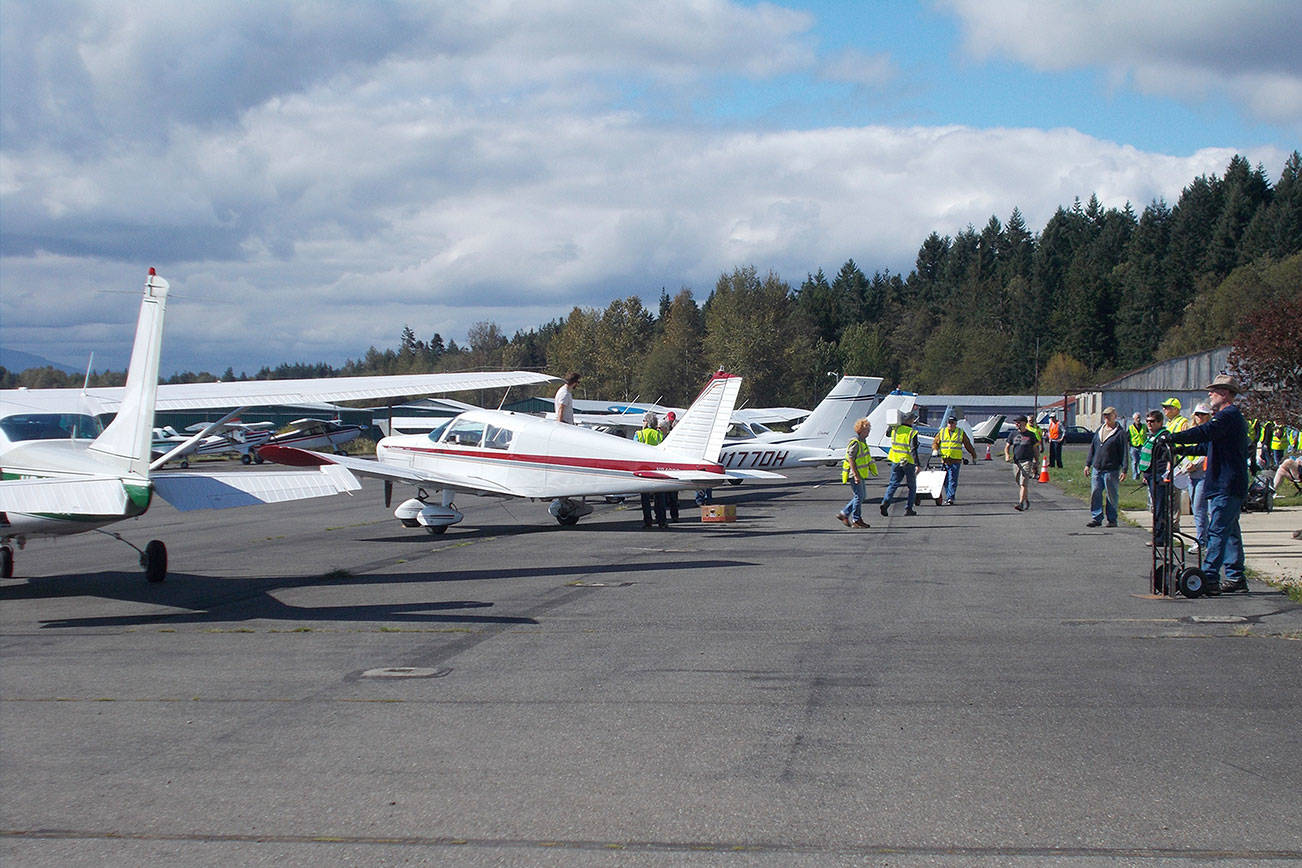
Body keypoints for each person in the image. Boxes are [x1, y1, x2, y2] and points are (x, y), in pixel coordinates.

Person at [1169, 374, 1251, 594]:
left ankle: (1209, 577)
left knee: (1217, 531)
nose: (1209, 394)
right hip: (1224, 483)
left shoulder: (1228, 416)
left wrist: (1175, 438)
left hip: (1227, 484)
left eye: (1213, 391)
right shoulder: (1227, 418)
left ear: (1224, 394)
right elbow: (1209, 447)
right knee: (1230, 531)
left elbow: (1206, 432)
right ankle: (1235, 577)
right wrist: (1184, 450)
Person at [1176, 402, 1213, 549]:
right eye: (1197, 414)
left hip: (1203, 473)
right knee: (1196, 508)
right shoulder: (1192, 431)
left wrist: (1195, 465)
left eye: (1203, 414)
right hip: (1190, 474)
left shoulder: (1210, 432)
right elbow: (1186, 450)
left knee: (1200, 508)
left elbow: (1206, 452)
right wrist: (1186, 464)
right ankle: (1204, 538)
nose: (1199, 417)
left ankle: (1202, 540)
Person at [1083, 406, 1126, 527]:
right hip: (1097, 467)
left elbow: (1124, 452)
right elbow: (1093, 448)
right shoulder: (1099, 430)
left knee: (1111, 495)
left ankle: (1112, 519)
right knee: (1095, 492)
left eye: (1109, 415)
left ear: (1115, 416)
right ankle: (1096, 517)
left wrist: (1125, 469)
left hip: (1111, 469)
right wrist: (1088, 464)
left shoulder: (1119, 433)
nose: (1106, 418)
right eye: (1105, 416)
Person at [1136, 410, 1173, 547]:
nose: (1149, 424)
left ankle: (1160, 538)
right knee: (1155, 508)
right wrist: (1146, 474)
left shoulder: (1163, 437)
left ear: (1160, 422)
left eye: (1152, 421)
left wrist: (1166, 473)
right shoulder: (1152, 436)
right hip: (1151, 475)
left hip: (1159, 476)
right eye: (1147, 421)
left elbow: (1168, 457)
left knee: (1160, 508)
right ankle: (1159, 536)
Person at [837, 418, 877, 528]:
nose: (868, 431)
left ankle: (844, 514)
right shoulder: (856, 442)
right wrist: (855, 475)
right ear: (860, 430)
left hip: (861, 474)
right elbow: (851, 458)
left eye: (869, 429)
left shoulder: (862, 442)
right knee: (859, 496)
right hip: (855, 474)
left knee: (862, 496)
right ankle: (856, 519)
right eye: (866, 429)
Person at [879, 410, 919, 517]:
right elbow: (913, 449)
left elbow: (887, 434)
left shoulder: (895, 430)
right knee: (912, 486)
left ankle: (886, 502)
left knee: (893, 484)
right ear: (911, 420)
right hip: (908, 461)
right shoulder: (912, 432)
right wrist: (918, 464)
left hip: (895, 460)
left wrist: (891, 425)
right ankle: (909, 509)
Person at [932, 415, 978, 505]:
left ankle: (950, 498)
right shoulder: (942, 432)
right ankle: (948, 496)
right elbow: (935, 442)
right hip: (944, 460)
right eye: (949, 422)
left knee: (952, 479)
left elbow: (968, 444)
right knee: (945, 480)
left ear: (956, 424)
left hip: (955, 460)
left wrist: (973, 455)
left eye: (952, 423)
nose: (950, 424)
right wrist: (935, 450)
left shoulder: (960, 432)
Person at [634, 411, 667, 528]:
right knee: (660, 496)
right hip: (657, 467)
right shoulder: (658, 434)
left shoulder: (639, 434)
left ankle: (647, 520)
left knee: (645, 497)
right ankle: (662, 520)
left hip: (643, 467)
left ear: (646, 422)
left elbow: (633, 449)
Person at [1004, 414, 1040, 511]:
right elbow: (1007, 447)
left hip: (1027, 461)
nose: (1017, 424)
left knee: (1023, 483)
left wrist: (1037, 461)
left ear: (1024, 423)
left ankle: (1020, 503)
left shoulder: (1031, 435)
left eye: (1019, 422)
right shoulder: (1013, 434)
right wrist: (1007, 455)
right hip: (1016, 462)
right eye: (1016, 423)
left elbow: (1035, 449)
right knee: (1019, 483)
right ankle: (1026, 499)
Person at [659, 412, 680, 521]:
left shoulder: (664, 436)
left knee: (666, 495)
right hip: (673, 468)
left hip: (667, 469)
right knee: (673, 496)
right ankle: (674, 516)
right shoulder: (675, 437)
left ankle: (664, 517)